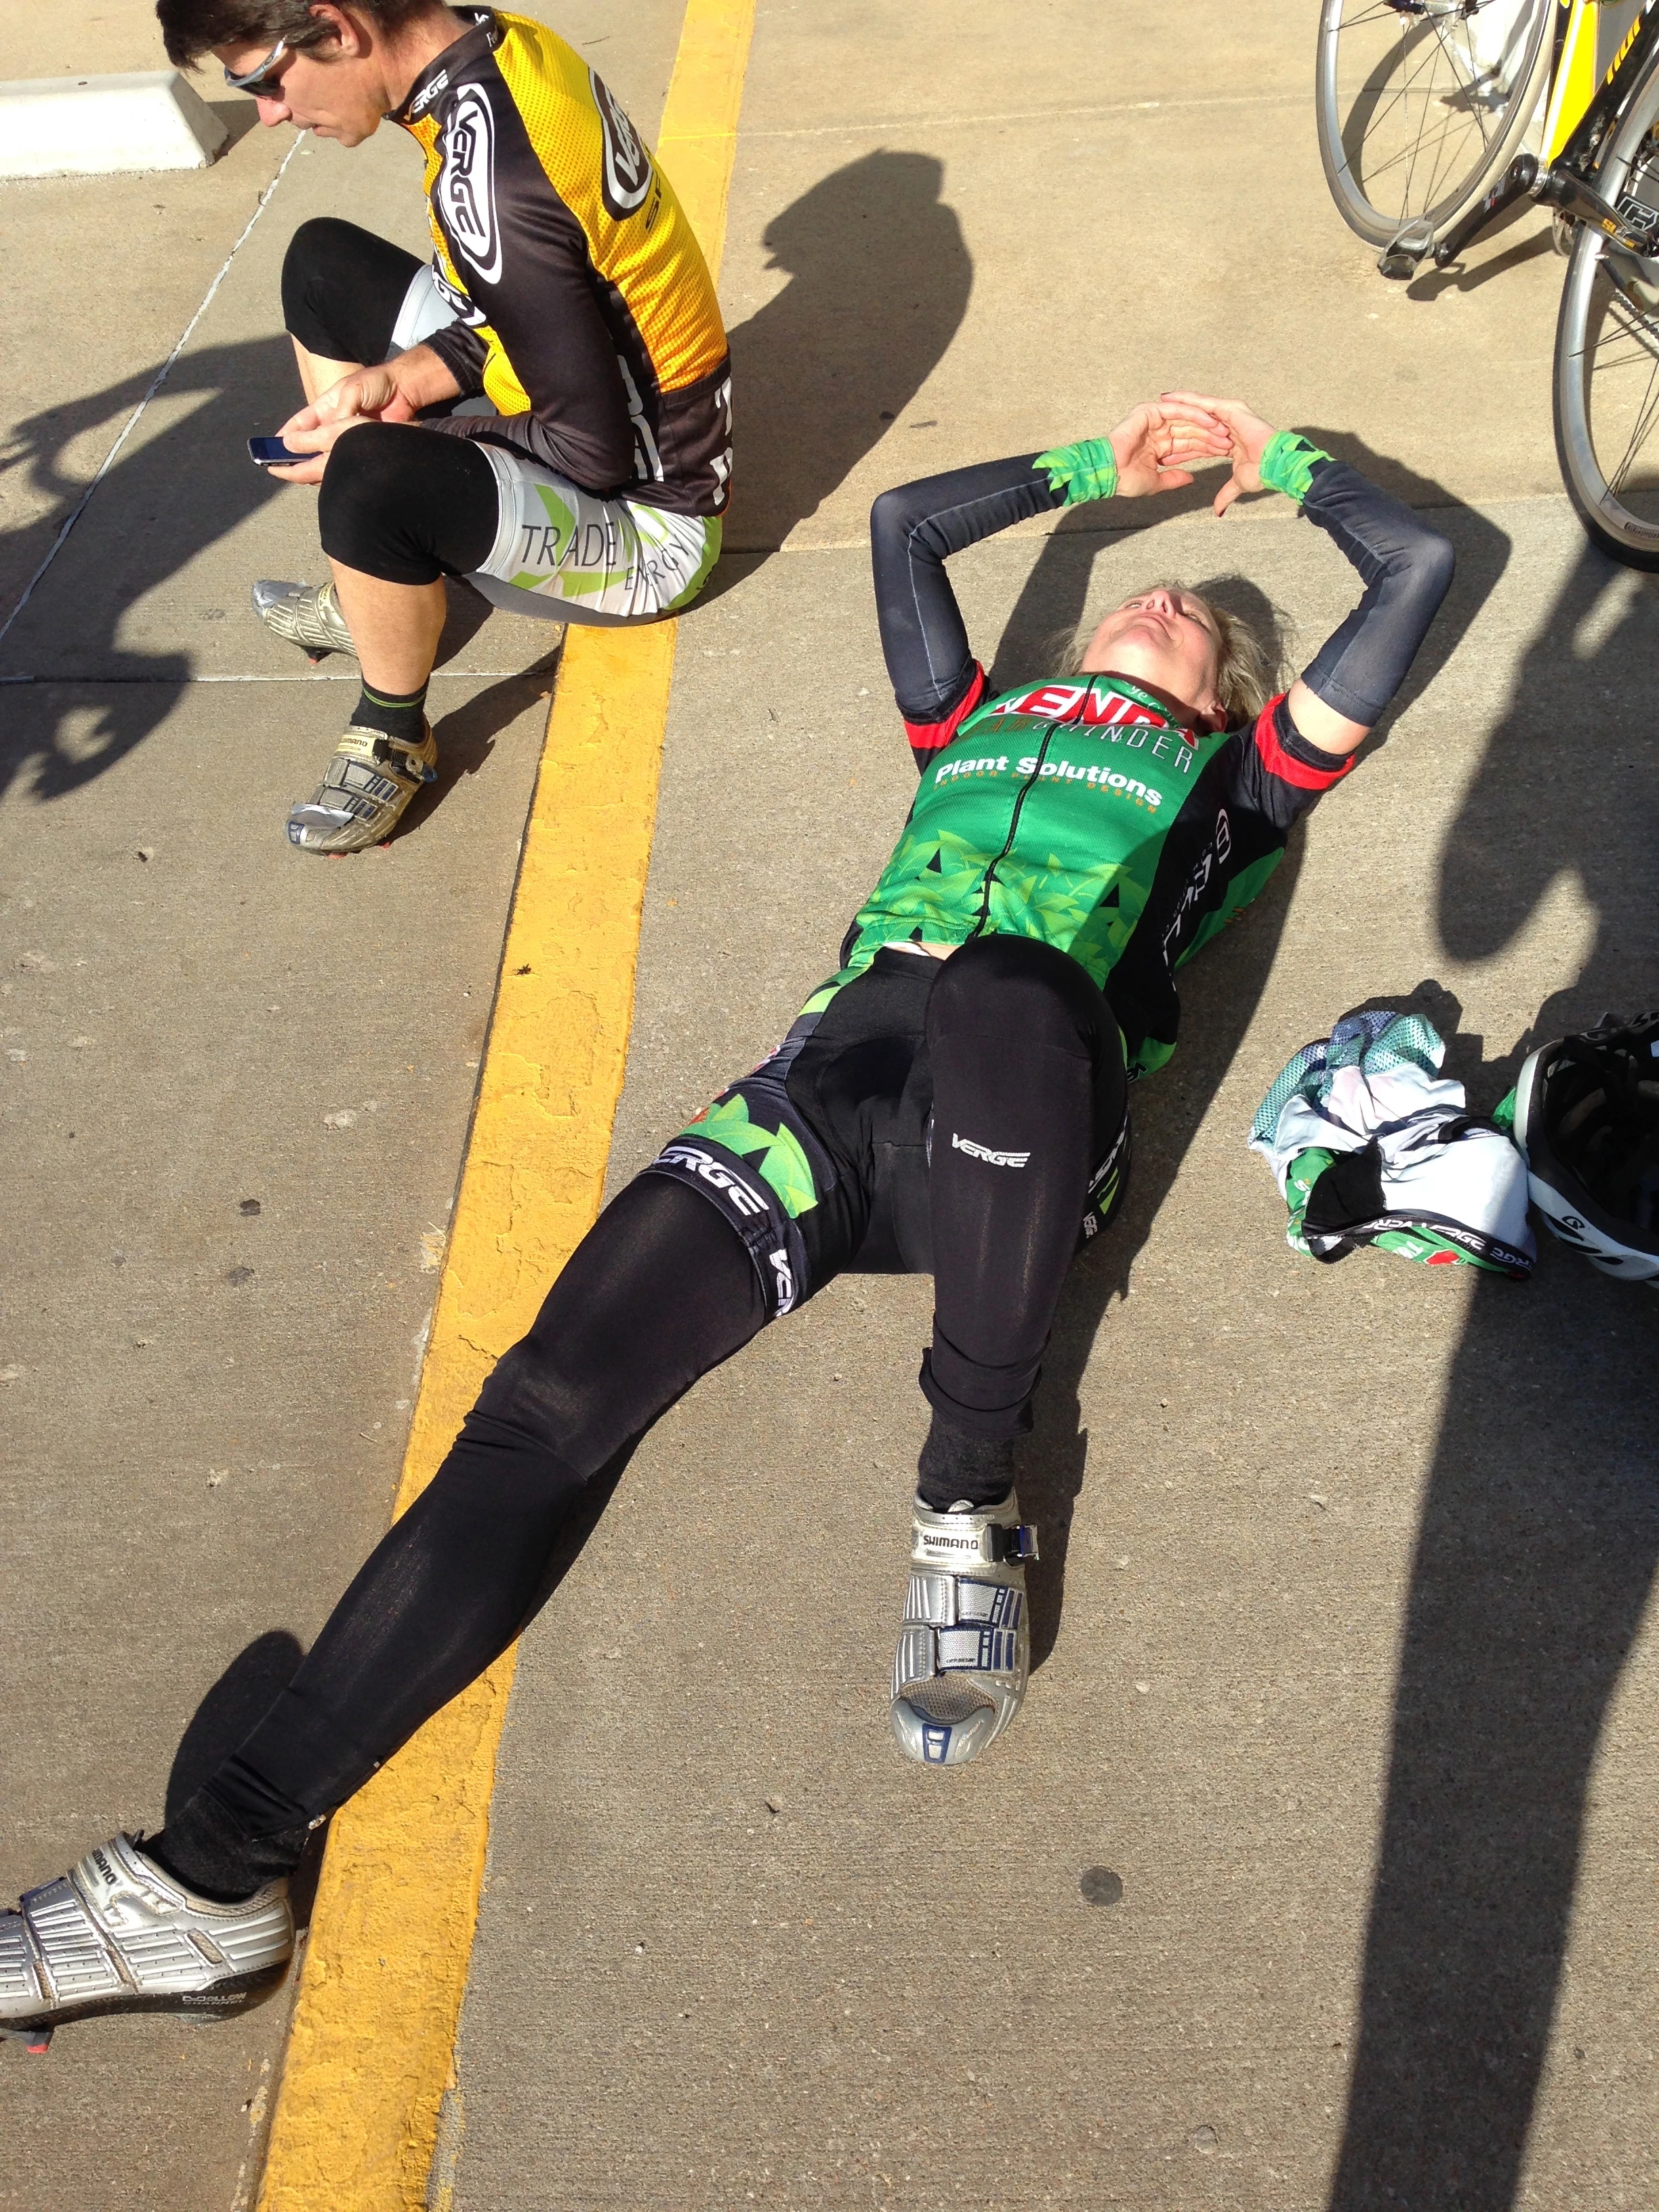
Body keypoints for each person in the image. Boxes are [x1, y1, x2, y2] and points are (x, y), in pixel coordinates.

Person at [0, 394, 1454, 2028]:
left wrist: (1289, 472)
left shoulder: (1236, 788)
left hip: (1021, 1114)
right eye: (1148, 592)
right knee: (541, 1408)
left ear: (1227, 702)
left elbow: (1414, 569)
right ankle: (207, 1880)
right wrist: (1082, 476)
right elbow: (903, 524)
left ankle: (963, 1501)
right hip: (817, 1105)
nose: (1168, 602)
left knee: (1001, 984)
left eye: (1205, 631)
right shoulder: (963, 728)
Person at [159, 0, 733, 851]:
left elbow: (595, 454)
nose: (270, 113)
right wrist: (402, 379)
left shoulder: (495, 183)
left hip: (655, 523)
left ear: (339, 27)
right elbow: (516, 305)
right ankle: (378, 597)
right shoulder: (486, 43)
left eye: (264, 80)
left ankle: (393, 730)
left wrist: (403, 443)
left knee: (372, 470)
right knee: (320, 264)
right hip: (604, 397)